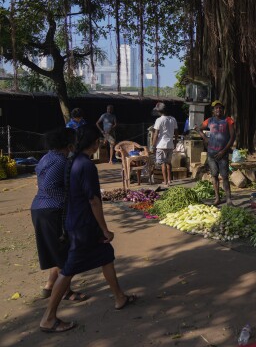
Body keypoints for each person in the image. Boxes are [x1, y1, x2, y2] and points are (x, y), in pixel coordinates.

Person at [39, 125, 136, 333]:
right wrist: (105, 229)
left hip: (80, 222)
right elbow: (93, 201)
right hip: (83, 225)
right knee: (68, 270)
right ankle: (48, 317)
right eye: (99, 140)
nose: (100, 143)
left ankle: (120, 297)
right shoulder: (85, 166)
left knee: (106, 255)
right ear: (94, 143)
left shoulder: (74, 161)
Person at [31, 128, 88, 302]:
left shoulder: (46, 157)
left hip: (39, 208)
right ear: (68, 144)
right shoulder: (61, 161)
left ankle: (49, 286)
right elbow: (49, 185)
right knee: (65, 251)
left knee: (56, 250)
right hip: (52, 211)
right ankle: (66, 292)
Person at [199, 100, 235, 205]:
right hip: (211, 154)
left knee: (224, 177)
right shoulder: (209, 121)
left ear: (223, 110)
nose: (218, 109)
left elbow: (232, 137)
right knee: (214, 176)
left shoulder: (228, 120)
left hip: (223, 154)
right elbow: (199, 128)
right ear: (213, 111)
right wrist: (205, 138)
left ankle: (228, 199)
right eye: (216, 108)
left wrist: (224, 151)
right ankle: (217, 198)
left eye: (220, 108)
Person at [152, 102, 179, 187]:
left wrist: (153, 145)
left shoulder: (159, 120)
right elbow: (176, 133)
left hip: (161, 145)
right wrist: (174, 143)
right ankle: (169, 180)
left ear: (159, 111)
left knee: (163, 163)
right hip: (170, 144)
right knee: (168, 163)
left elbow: (156, 134)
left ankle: (165, 182)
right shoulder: (173, 119)